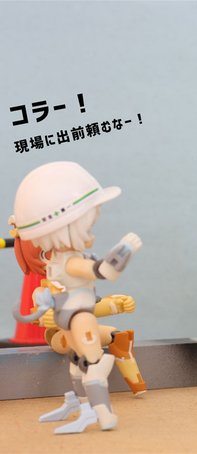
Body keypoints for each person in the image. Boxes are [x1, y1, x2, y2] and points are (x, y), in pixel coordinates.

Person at [12, 161, 142, 433]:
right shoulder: (70, 262)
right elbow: (105, 271)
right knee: (91, 363)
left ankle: (88, 409)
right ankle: (98, 412)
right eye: (87, 227)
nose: (90, 235)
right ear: (67, 226)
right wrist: (126, 248)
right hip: (77, 319)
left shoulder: (56, 261)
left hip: (69, 319)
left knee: (79, 364)